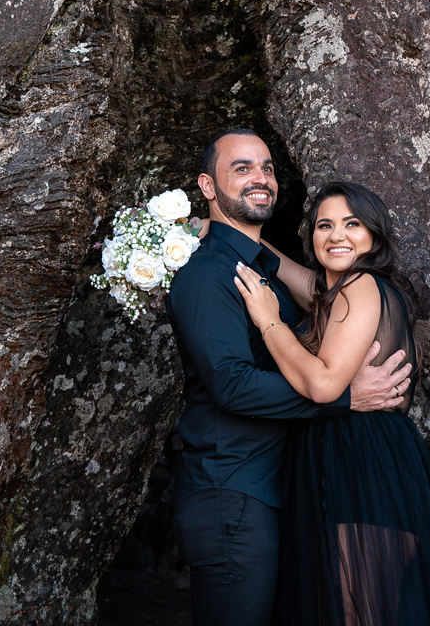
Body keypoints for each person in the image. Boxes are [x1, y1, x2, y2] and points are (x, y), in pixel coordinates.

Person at [165, 131, 412, 626]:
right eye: (242, 168)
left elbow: (318, 286)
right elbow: (231, 384)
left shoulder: (269, 276)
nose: (260, 177)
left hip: (277, 489)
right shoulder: (207, 274)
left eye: (268, 167)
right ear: (206, 186)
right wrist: (346, 398)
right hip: (231, 489)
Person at [234, 180, 430, 626]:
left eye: (351, 224)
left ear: (374, 236)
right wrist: (234, 235)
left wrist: (268, 321)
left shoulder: (360, 284)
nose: (336, 235)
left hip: (359, 457)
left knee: (359, 611)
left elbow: (323, 386)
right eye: (324, 226)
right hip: (369, 454)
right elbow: (306, 283)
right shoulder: (341, 292)